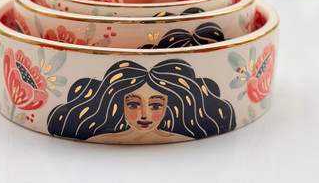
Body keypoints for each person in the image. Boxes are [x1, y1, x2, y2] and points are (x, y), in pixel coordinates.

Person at [47, 58, 236, 144]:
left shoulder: (187, 141)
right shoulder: (94, 139)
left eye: (155, 105)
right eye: (133, 104)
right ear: (118, 103)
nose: (144, 115)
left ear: (169, 105)